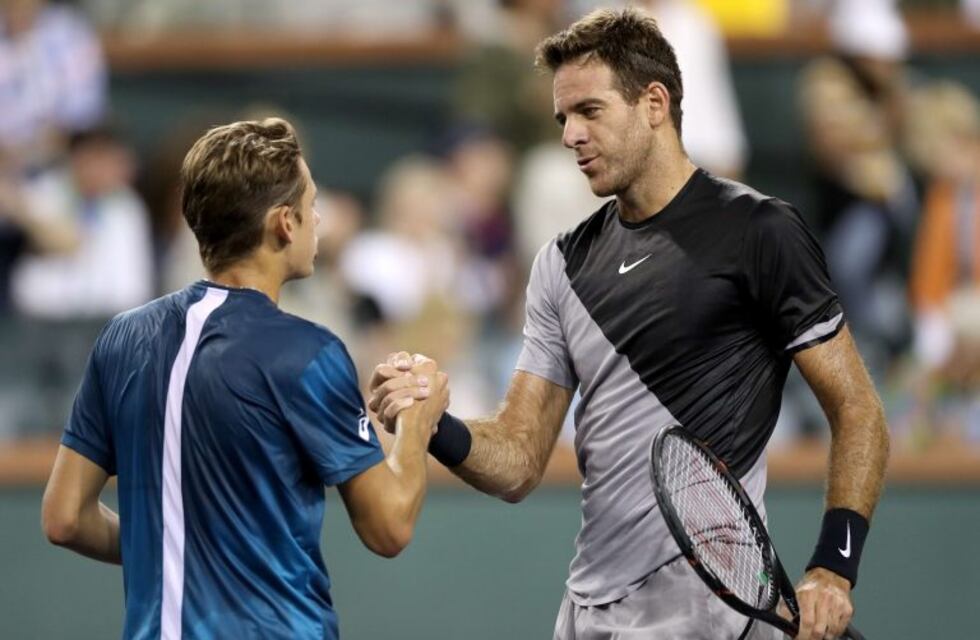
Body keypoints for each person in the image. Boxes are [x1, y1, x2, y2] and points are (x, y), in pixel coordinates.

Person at [370, 9, 888, 640]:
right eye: (563, 119)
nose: (570, 136)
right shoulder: (560, 265)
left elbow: (857, 408)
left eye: (590, 111)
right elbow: (518, 461)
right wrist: (433, 426)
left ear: (654, 103)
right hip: (590, 618)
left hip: (709, 620)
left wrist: (832, 569)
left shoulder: (760, 232)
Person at [40, 117, 448, 639]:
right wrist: (417, 418)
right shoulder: (307, 351)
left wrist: (176, 547)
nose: (318, 219)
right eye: (311, 204)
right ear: (284, 223)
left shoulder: (121, 338)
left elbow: (65, 518)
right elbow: (388, 526)